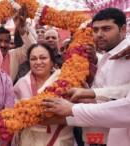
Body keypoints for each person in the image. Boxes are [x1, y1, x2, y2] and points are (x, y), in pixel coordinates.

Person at [43, 7, 130, 146]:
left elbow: (124, 108)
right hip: (96, 137)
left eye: (106, 29)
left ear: (123, 29)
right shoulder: (104, 57)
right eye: (95, 30)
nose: (99, 34)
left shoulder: (127, 54)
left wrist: (73, 108)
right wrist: (65, 116)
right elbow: (103, 103)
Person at [13, 43, 73, 146]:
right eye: (33, 59)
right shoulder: (21, 83)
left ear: (52, 62)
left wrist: (54, 119)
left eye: (43, 58)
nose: (38, 62)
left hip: (60, 139)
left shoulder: (65, 82)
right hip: (28, 140)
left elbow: (77, 113)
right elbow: (14, 114)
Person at [0, 7, 36, 82]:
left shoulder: (14, 55)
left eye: (6, 41)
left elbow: (33, 49)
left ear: (10, 43)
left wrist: (20, 27)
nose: (2, 45)